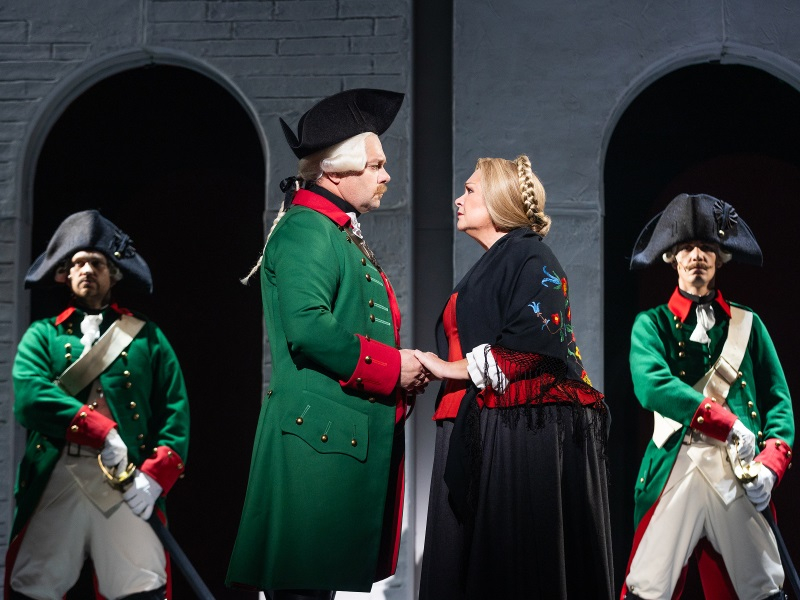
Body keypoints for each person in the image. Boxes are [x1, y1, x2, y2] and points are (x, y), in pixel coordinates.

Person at [226, 89, 428, 600]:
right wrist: (392, 368)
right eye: (376, 166)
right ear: (336, 173)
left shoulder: (332, 230)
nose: (386, 176)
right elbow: (309, 327)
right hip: (313, 445)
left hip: (330, 439)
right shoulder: (308, 230)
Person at [415, 155, 614, 600]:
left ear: (499, 200)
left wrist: (447, 367)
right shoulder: (497, 262)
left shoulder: (530, 254)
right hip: (470, 424)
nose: (458, 199)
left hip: (511, 436)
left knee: (508, 570)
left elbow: (532, 346)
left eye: (469, 190)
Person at [6, 210, 190, 600]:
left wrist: (154, 476)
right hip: (59, 475)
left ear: (115, 274)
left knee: (142, 582)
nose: (87, 270)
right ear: (64, 274)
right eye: (78, 263)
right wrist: (102, 432)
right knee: (34, 583)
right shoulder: (43, 335)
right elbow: (31, 397)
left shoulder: (146, 337)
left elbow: (174, 409)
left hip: (125, 479)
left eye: (97, 263)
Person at [622, 193, 794, 600]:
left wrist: (770, 466)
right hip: (675, 464)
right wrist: (727, 423)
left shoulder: (749, 324)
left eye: (706, 248)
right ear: (672, 258)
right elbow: (651, 384)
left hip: (736, 469)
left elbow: (779, 402)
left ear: (720, 258)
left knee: (764, 583)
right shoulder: (652, 325)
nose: (696, 256)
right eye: (686, 248)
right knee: (648, 584)